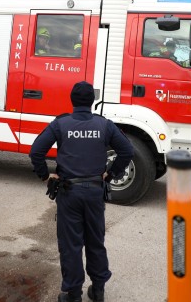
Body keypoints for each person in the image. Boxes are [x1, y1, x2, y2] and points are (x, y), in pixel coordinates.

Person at [29, 81, 134, 302]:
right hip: (96, 191)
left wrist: (45, 175)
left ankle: (73, 294)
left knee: (71, 244)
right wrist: (111, 174)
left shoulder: (61, 124)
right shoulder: (104, 125)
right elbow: (126, 150)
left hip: (69, 192)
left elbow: (36, 151)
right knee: (95, 240)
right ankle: (98, 291)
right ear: (92, 101)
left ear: (72, 100)